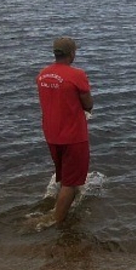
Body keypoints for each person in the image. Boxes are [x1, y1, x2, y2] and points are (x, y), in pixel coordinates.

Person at [36, 37, 93, 226]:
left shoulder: (42, 75)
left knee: (63, 174)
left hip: (51, 134)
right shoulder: (77, 75)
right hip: (73, 135)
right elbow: (88, 103)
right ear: (72, 53)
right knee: (71, 182)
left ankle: (61, 201)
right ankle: (55, 221)